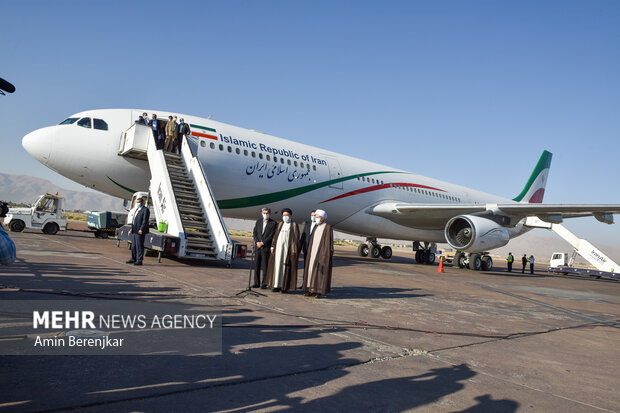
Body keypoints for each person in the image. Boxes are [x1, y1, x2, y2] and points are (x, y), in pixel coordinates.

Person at [265, 208, 300, 293]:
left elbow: (296, 239)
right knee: (277, 267)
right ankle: (276, 285)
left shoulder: (294, 225)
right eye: (284, 215)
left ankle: (284, 287)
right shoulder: (280, 224)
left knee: (285, 268)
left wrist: (294, 250)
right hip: (278, 250)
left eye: (287, 215)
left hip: (287, 251)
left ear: (290, 216)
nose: (285, 217)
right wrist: (272, 247)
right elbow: (275, 236)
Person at [302, 209, 334, 298]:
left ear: (323, 218)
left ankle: (318, 291)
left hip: (321, 254)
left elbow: (328, 243)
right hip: (312, 253)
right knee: (311, 271)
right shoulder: (316, 226)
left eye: (317, 217)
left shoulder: (327, 228)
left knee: (319, 273)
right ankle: (310, 289)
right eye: (315, 217)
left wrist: (325, 255)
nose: (316, 219)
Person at [252, 208, 277, 289]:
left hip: (266, 247)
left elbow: (272, 235)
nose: (266, 214)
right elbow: (255, 232)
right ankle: (256, 282)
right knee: (256, 265)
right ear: (261, 213)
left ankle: (264, 283)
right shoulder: (258, 221)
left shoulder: (273, 223)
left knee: (265, 266)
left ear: (270, 213)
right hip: (258, 247)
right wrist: (257, 242)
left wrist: (263, 243)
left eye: (267, 213)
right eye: (264, 213)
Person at [126, 197, 150, 266]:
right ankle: (133, 258)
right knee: (133, 246)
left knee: (139, 246)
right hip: (134, 230)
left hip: (140, 231)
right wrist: (132, 228)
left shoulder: (145, 210)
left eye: (138, 202)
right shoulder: (137, 209)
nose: (137, 203)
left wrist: (141, 229)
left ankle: (139, 260)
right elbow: (134, 220)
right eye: (137, 202)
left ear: (142, 202)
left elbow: (145, 221)